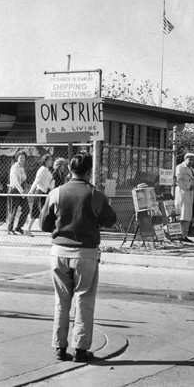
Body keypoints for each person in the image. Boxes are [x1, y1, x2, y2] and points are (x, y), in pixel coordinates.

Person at [39, 153, 117, 362]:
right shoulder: (96, 195)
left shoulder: (55, 193)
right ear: (90, 172)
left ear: (70, 170)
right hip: (86, 254)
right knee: (84, 299)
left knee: (61, 301)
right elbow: (110, 220)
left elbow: (44, 224)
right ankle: (81, 349)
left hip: (58, 254)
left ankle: (59, 346)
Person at [26, 154, 55, 237]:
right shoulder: (42, 169)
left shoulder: (48, 170)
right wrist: (31, 191)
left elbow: (49, 183)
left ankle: (28, 229)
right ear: (45, 161)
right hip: (40, 192)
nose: (51, 162)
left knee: (39, 212)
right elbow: (37, 180)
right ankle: (50, 231)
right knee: (41, 211)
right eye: (50, 160)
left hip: (45, 192)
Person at [175, 152, 194, 243]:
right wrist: (188, 186)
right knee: (182, 215)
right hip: (183, 193)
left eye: (193, 159)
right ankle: (179, 234)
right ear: (185, 159)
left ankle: (184, 234)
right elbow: (178, 180)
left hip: (190, 194)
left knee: (188, 215)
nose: (191, 161)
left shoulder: (192, 169)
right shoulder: (180, 167)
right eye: (190, 159)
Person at [8, 151, 30, 235]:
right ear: (17, 158)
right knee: (14, 210)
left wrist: (26, 184)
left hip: (21, 190)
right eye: (20, 157)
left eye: (23, 158)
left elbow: (23, 179)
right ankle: (10, 229)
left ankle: (18, 227)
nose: (22, 159)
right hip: (15, 190)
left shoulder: (22, 167)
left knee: (26, 208)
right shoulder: (15, 167)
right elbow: (16, 181)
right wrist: (22, 192)